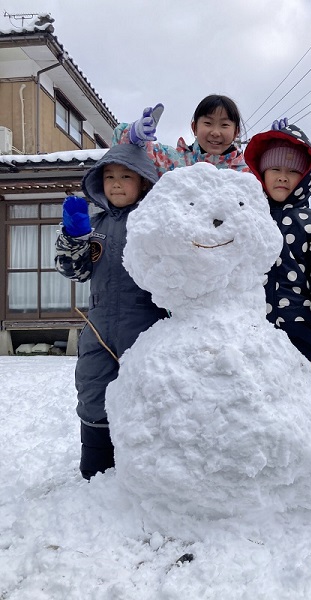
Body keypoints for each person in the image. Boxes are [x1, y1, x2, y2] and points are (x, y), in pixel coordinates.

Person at [55, 144, 168, 480]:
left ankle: (147, 471)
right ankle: (96, 469)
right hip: (100, 326)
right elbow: (75, 271)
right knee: (93, 389)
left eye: (125, 176)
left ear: (144, 182)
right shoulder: (95, 225)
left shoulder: (153, 224)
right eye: (109, 177)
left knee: (148, 396)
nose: (116, 184)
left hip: (147, 326)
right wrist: (73, 238)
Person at [244, 121, 311, 478]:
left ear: (305, 177)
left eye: (293, 171)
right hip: (257, 333)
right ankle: (276, 470)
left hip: (308, 333)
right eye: (276, 168)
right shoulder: (247, 217)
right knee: (264, 401)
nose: (283, 177)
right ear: (261, 172)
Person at [112, 94, 249, 175]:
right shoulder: (172, 162)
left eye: (224, 125)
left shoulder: (247, 173)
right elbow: (124, 153)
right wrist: (134, 134)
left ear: (236, 132)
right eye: (208, 123)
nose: (215, 132)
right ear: (194, 127)